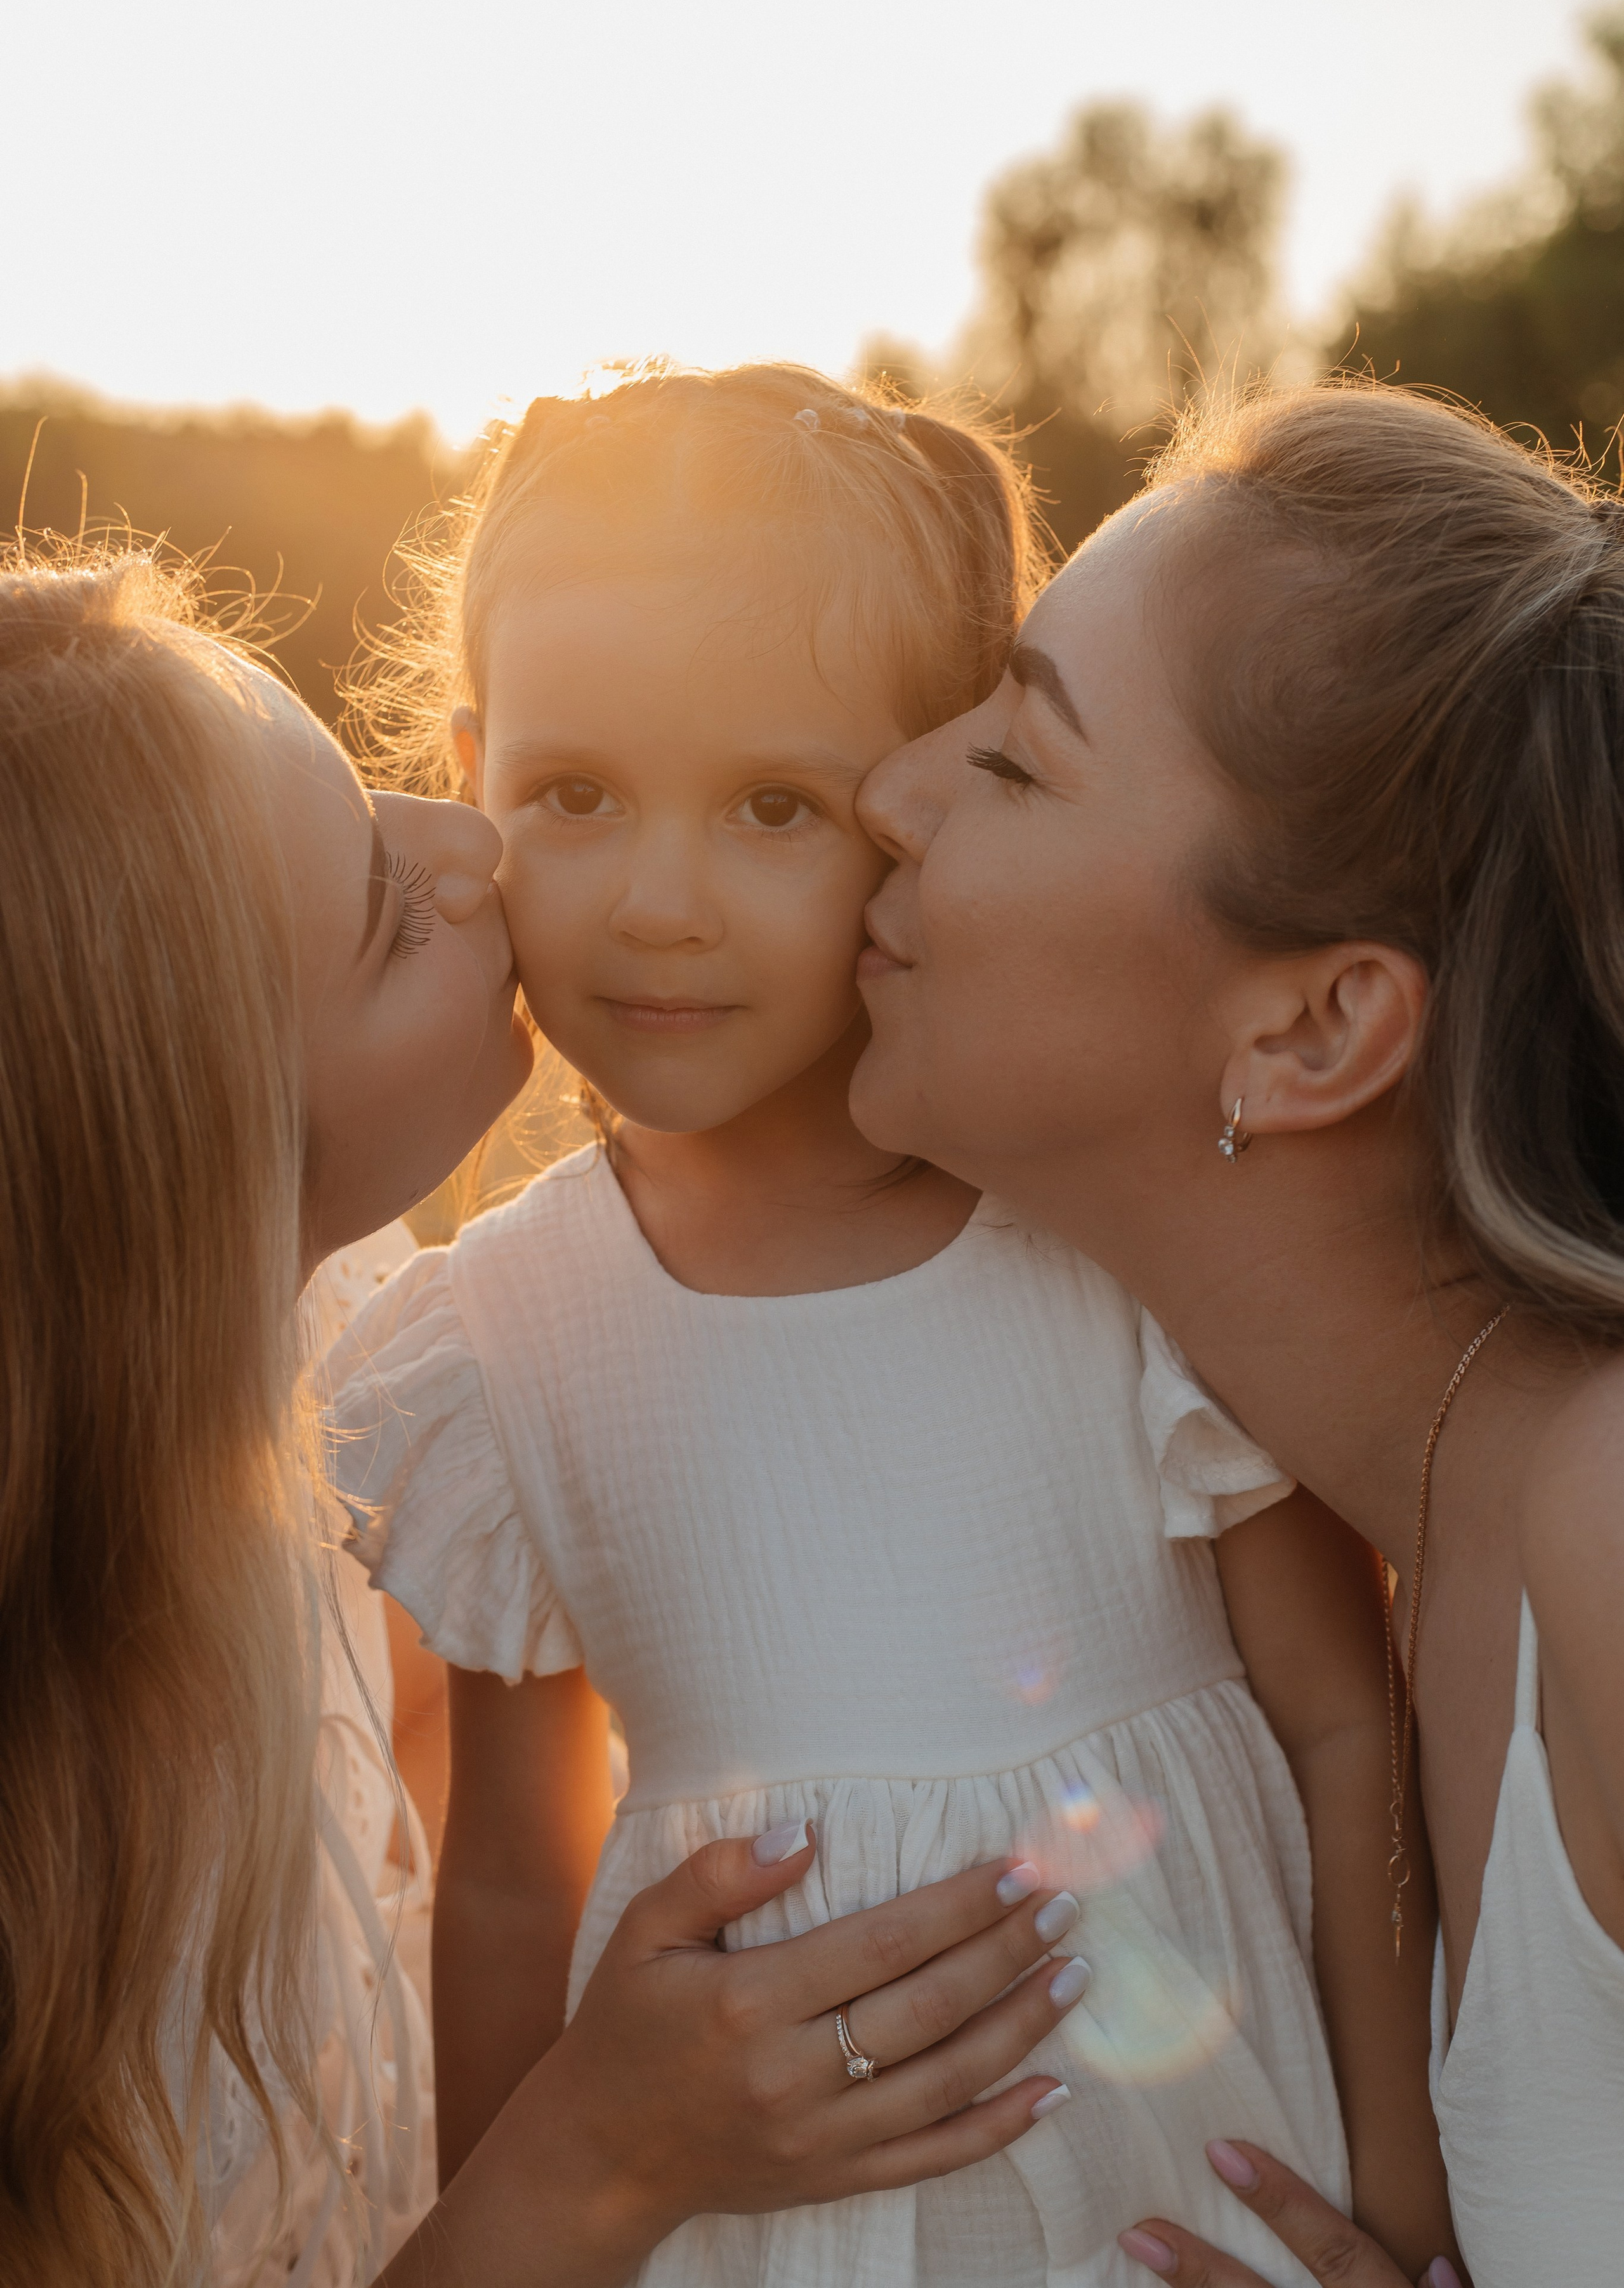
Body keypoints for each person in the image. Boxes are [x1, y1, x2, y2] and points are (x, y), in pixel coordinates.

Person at [327, 363, 1451, 2285]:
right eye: (575, 795)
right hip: (766, 2221)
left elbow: (1348, 1722)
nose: (658, 904)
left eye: (775, 805)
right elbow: (518, 1872)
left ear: (920, 810)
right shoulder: (501, 1332)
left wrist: (1407, 2201)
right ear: (474, 765)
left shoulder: (1105, 1234)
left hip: (1198, 2175)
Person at [0, 549, 1080, 2288]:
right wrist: (592, 2155)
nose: (471, 844)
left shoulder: (324, 1367)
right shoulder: (416, 1391)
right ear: (204, 1169)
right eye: (383, 914)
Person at [849, 376, 1624, 2287]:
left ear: (1309, 1035)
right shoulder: (1409, 1547)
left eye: (1016, 761)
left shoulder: (1610, 1523)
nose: (889, 787)